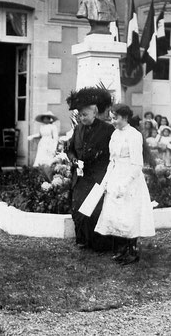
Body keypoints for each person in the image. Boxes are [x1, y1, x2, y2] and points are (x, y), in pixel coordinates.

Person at [95, 105, 155, 265]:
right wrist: (107, 180)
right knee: (116, 214)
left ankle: (132, 252)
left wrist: (125, 184)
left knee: (130, 215)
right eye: (111, 118)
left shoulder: (134, 135)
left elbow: (137, 164)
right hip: (116, 175)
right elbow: (112, 160)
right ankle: (121, 250)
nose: (112, 121)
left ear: (125, 117)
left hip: (130, 178)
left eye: (115, 118)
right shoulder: (115, 134)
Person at [66, 88, 114, 251]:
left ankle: (97, 243)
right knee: (78, 207)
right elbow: (70, 149)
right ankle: (82, 240)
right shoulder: (78, 129)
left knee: (95, 210)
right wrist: (73, 160)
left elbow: (111, 154)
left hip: (97, 177)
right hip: (80, 177)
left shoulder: (107, 130)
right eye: (80, 115)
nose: (81, 117)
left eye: (85, 114)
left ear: (94, 113)